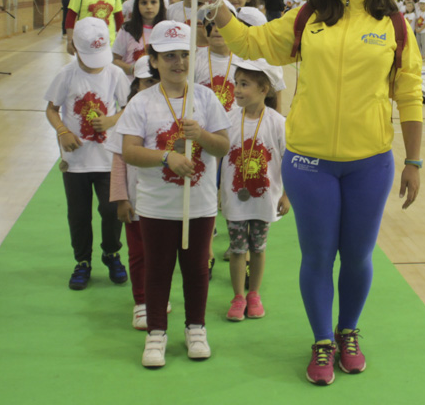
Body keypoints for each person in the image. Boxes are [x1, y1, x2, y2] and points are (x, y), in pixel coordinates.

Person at [207, 0, 422, 386]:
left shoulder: (394, 23)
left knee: (359, 255)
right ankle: (322, 339)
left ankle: (349, 331)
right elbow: (253, 43)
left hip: (371, 163)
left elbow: (409, 93)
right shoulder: (308, 18)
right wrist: (216, 5)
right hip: (309, 164)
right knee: (319, 255)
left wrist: (414, 161)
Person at [115, 21, 231, 367]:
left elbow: (223, 146)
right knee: (157, 269)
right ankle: (156, 333)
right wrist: (167, 156)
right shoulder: (142, 102)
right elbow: (130, 152)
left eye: (184, 55)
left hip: (199, 205)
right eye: (169, 57)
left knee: (196, 268)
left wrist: (202, 136)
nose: (178, 63)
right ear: (153, 60)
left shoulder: (206, 98)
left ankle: (196, 328)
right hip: (156, 206)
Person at [44, 17, 131, 290]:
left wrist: (112, 120)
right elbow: (51, 109)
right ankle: (82, 261)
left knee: (110, 210)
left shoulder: (115, 73)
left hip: (107, 158)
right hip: (76, 161)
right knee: (79, 214)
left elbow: (129, 107)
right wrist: (62, 131)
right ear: (74, 48)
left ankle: (112, 253)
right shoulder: (66, 75)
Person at [222, 58, 289, 322]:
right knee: (238, 249)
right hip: (234, 198)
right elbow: (217, 156)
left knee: (258, 248)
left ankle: (254, 294)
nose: (237, 89)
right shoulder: (227, 119)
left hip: (265, 199)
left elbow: (288, 160)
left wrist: (287, 194)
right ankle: (238, 296)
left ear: (264, 90)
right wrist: (217, 189)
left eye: (244, 84)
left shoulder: (277, 122)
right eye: (236, 83)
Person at [108, 57, 166, 329]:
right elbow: (119, 160)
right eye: (146, 82)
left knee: (163, 253)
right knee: (139, 252)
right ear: (136, 85)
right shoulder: (129, 113)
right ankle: (142, 301)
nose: (151, 87)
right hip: (136, 200)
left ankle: (159, 295)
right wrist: (121, 198)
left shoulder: (171, 110)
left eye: (155, 81)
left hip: (165, 200)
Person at [112, 0, 166, 76]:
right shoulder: (127, 29)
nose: (149, 6)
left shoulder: (166, 30)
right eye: (144, 3)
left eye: (153, 2)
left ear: (160, 4)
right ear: (137, 5)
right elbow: (114, 60)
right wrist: (132, 69)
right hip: (131, 84)